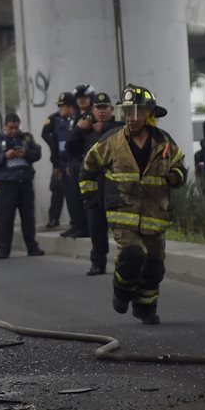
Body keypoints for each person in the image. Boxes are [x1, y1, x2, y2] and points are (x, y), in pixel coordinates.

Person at [80, 85, 186, 325]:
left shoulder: (164, 141)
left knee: (155, 265)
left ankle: (145, 307)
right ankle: (122, 290)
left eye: (137, 112)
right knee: (132, 254)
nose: (131, 117)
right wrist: (90, 199)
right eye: (127, 112)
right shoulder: (112, 141)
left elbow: (179, 166)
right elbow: (88, 168)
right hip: (122, 212)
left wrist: (176, 176)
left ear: (149, 113)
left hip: (155, 214)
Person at [74, 91, 123, 276]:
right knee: (96, 229)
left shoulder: (120, 128)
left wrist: (105, 127)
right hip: (94, 187)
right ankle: (98, 263)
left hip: (115, 188)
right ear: (92, 110)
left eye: (105, 108)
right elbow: (71, 148)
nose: (101, 111)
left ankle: (125, 265)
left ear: (111, 109)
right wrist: (78, 128)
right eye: (98, 108)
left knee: (122, 230)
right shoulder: (87, 130)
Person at [0, 113, 45, 259]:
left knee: (28, 217)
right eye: (10, 128)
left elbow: (37, 153)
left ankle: (32, 247)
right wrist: (4, 156)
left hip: (24, 182)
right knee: (6, 218)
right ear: (5, 127)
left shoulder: (26, 138)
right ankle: (4, 249)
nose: (13, 130)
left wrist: (26, 153)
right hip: (7, 184)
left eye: (16, 127)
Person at [61, 83, 97, 238]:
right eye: (79, 98)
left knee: (86, 196)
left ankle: (87, 228)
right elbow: (71, 140)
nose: (82, 100)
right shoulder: (75, 116)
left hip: (86, 160)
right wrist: (69, 162)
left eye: (85, 97)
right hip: (74, 161)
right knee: (74, 196)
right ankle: (77, 225)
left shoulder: (92, 115)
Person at [40, 92, 75, 229]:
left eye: (63, 106)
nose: (60, 109)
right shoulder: (53, 119)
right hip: (59, 161)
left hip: (73, 159)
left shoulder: (77, 119)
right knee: (57, 188)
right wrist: (53, 145)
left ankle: (75, 220)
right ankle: (54, 218)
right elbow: (44, 134)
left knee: (74, 192)